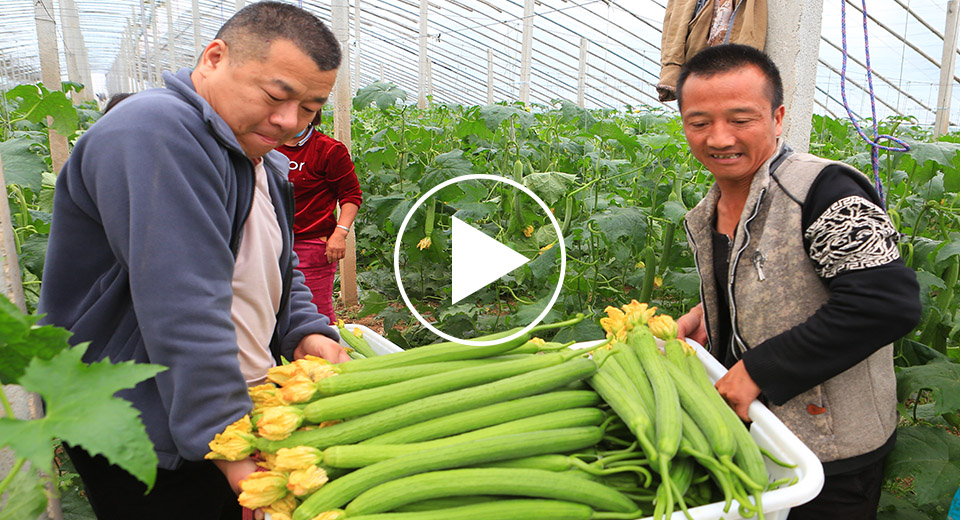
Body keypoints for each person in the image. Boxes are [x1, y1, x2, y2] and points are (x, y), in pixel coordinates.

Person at [37, 3, 350, 518]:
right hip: (141, 421)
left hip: (216, 410)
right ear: (214, 58)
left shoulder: (257, 157)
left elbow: (274, 262)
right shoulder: (155, 132)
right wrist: (226, 438)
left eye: (310, 108)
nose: (289, 121)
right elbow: (182, 302)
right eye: (276, 96)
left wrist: (303, 330)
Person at [672, 44, 921, 519]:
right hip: (755, 435)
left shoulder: (824, 191)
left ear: (778, 117)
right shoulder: (709, 210)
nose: (719, 137)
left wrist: (759, 370)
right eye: (699, 122)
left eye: (741, 119)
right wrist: (712, 314)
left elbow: (886, 303)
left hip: (832, 454)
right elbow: (783, 283)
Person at [276, 114, 362, 322]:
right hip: (269, 241)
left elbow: (351, 195)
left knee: (314, 312)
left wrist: (340, 233)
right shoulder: (265, 146)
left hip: (310, 245)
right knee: (270, 311)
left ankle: (322, 342)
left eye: (303, 110)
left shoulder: (329, 150)